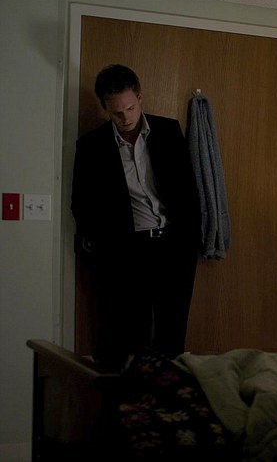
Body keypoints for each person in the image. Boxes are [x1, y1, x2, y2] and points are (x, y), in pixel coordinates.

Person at [72, 64, 201, 370]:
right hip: (128, 249)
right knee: (131, 331)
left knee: (173, 328)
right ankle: (133, 391)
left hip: (174, 244)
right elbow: (81, 203)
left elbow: (188, 189)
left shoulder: (168, 131)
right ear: (105, 107)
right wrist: (103, 246)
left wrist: (190, 237)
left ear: (140, 97)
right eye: (117, 112)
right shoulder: (91, 146)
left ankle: (169, 388)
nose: (126, 117)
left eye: (130, 108)